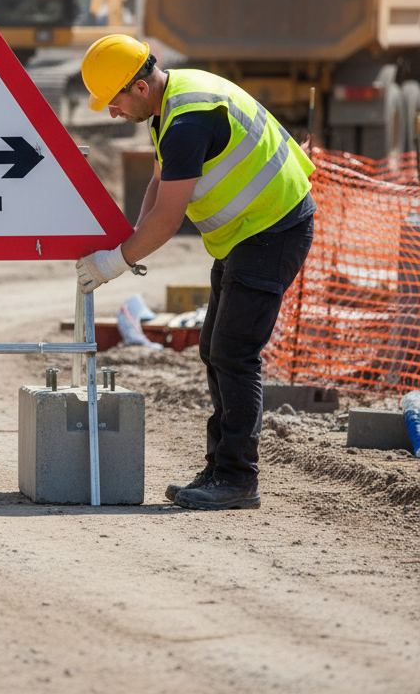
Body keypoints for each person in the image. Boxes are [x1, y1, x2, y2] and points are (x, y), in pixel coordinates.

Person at [75, 35, 315, 511]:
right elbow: (162, 182)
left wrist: (114, 262)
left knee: (235, 352)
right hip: (248, 234)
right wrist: (132, 235)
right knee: (214, 348)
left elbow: (168, 220)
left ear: (140, 87)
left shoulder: (187, 120)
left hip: (273, 229)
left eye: (115, 100)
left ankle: (237, 477)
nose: (111, 113)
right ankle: (221, 466)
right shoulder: (172, 102)